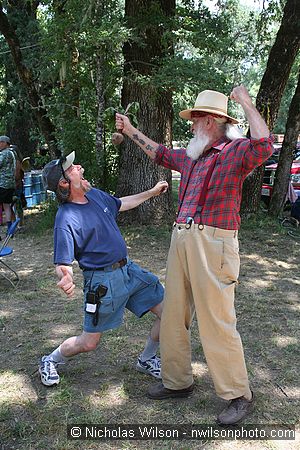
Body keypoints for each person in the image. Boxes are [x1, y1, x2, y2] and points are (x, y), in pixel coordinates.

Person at [115, 85, 274, 425]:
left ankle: (238, 394)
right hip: (181, 238)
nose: (190, 125)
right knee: (173, 313)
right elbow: (158, 153)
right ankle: (177, 383)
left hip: (214, 242)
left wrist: (245, 102)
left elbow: (265, 145)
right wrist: (129, 131)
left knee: (216, 319)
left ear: (212, 120)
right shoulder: (191, 155)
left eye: (196, 118)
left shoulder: (236, 152)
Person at [39, 151, 168, 387]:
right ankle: (50, 360)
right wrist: (65, 277)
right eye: (71, 168)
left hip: (129, 271)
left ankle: (147, 359)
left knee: (169, 313)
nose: (79, 166)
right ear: (64, 183)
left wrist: (151, 192)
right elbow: (62, 263)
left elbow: (122, 203)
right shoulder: (65, 218)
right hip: (102, 283)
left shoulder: (95, 195)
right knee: (89, 343)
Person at [0, 136, 16, 233]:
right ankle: (10, 228)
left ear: (6, 143)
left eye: (1, 142)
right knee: (7, 205)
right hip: (10, 184)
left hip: (2, 184)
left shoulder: (4, 154)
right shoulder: (12, 153)